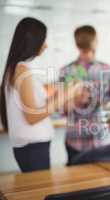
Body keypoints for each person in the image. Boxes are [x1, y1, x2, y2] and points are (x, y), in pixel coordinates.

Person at [0, 17, 81, 172]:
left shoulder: (18, 68)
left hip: (33, 147)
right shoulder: (22, 70)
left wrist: (59, 95)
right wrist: (67, 94)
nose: (46, 45)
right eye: (43, 40)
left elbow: (36, 107)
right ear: (32, 42)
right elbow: (32, 116)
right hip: (32, 148)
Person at [59, 25, 110, 165]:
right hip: (76, 141)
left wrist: (98, 102)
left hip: (99, 139)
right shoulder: (66, 71)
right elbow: (62, 108)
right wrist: (77, 101)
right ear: (96, 41)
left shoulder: (107, 70)